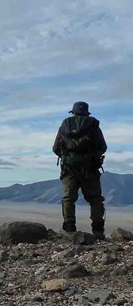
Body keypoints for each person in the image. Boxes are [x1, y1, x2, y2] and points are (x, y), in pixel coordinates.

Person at [52, 101, 107, 239]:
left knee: (68, 198)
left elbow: (55, 148)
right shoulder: (94, 126)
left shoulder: (64, 126)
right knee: (95, 199)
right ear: (86, 113)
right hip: (90, 169)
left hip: (69, 169)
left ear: (73, 112)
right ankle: (98, 231)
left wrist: (68, 156)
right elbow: (103, 147)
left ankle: (70, 229)